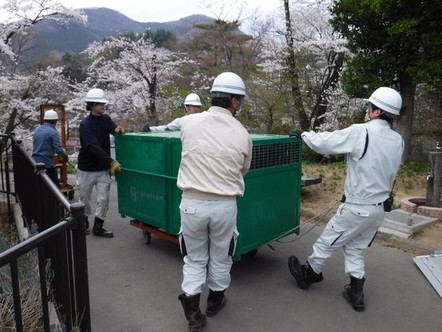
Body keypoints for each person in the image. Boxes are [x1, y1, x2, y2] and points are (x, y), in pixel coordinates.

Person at [287, 87, 404, 312]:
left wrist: (303, 134)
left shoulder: (362, 131)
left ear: (377, 111)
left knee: (327, 241)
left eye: (370, 107)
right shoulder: (397, 140)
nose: (367, 111)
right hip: (379, 209)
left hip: (357, 207)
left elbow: (327, 143)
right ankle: (356, 292)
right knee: (355, 248)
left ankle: (308, 274)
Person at [176, 72, 252, 331]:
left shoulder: (189, 123)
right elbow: (244, 169)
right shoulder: (243, 133)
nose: (239, 104)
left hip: (192, 203)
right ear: (233, 101)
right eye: (239, 100)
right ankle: (215, 301)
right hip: (224, 205)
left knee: (194, 259)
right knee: (221, 255)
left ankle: (192, 311)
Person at [77, 88, 124, 237]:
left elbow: (112, 128)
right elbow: (94, 147)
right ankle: (83, 221)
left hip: (102, 169)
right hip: (87, 168)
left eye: (104, 103)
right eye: (100, 104)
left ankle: (98, 226)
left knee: (103, 199)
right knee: (84, 198)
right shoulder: (85, 124)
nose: (104, 106)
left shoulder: (106, 118)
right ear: (92, 105)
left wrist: (117, 129)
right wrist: (112, 162)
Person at [32, 109, 69, 187]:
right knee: (54, 188)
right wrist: (65, 156)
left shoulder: (37, 129)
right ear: (55, 121)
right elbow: (58, 149)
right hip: (47, 163)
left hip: (35, 161)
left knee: (39, 186)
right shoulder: (53, 132)